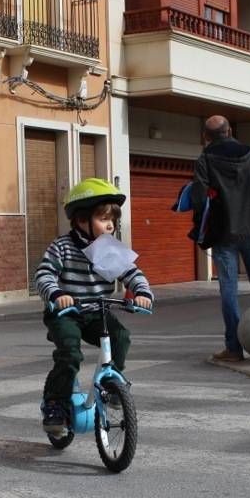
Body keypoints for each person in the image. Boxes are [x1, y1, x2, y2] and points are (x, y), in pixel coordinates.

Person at [35, 177, 153, 435]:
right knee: (70, 353)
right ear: (81, 220)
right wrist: (56, 294)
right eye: (103, 218)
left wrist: (142, 291)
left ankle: (112, 387)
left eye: (113, 219)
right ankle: (55, 403)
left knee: (121, 337)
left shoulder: (108, 249)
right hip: (66, 314)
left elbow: (132, 272)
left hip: (96, 312)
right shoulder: (61, 247)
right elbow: (44, 275)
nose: (110, 224)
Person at [188, 115, 250, 363]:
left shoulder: (205, 159)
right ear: (229, 131)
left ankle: (234, 348)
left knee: (228, 288)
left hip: (224, 231)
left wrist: (201, 225)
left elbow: (199, 197)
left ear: (206, 136)